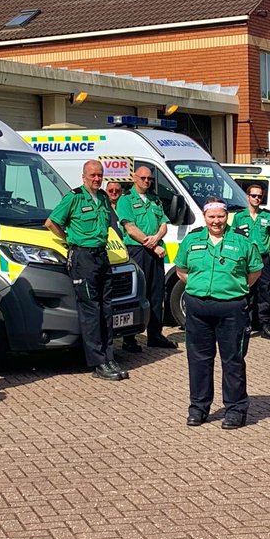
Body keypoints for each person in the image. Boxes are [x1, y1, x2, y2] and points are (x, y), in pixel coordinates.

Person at [176, 199, 262, 429]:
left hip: (231, 309)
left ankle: (235, 410)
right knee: (199, 360)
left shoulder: (242, 242)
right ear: (205, 217)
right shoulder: (192, 240)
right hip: (198, 309)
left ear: (227, 217)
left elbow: (254, 271)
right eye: (212, 217)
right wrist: (199, 286)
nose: (216, 221)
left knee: (232, 360)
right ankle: (198, 408)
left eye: (221, 217)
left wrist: (234, 288)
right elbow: (181, 270)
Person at [47, 159, 123, 381]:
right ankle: (98, 363)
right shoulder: (74, 197)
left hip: (101, 255)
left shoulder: (102, 198)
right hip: (83, 257)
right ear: (84, 177)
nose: (97, 179)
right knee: (91, 310)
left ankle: (109, 358)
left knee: (106, 308)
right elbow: (51, 222)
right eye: (93, 176)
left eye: (100, 175)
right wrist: (70, 240)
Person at [116, 165, 177, 352]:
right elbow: (130, 228)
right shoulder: (126, 200)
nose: (146, 181)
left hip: (155, 251)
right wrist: (152, 244)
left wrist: (157, 239)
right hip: (137, 250)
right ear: (134, 178)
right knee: (136, 293)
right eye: (143, 178)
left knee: (157, 293)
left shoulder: (154, 199)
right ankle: (129, 338)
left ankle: (155, 335)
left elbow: (164, 224)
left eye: (149, 179)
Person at [231, 182, 270, 339]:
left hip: (262, 258)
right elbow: (235, 238)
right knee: (246, 291)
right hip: (246, 260)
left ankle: (265, 324)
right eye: (254, 195)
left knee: (264, 291)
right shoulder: (239, 217)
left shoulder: (267, 216)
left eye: (259, 196)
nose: (257, 198)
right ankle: (246, 324)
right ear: (247, 196)